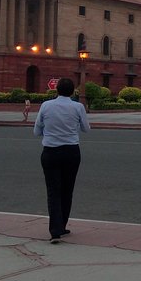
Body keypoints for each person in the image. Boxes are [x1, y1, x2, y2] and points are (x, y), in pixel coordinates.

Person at [33, 77, 90, 244]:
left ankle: (55, 231)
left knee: (53, 191)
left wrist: (50, 131)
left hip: (50, 152)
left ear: (56, 90)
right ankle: (62, 225)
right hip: (71, 151)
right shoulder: (78, 107)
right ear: (72, 92)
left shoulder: (46, 105)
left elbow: (37, 131)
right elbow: (86, 129)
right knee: (67, 190)